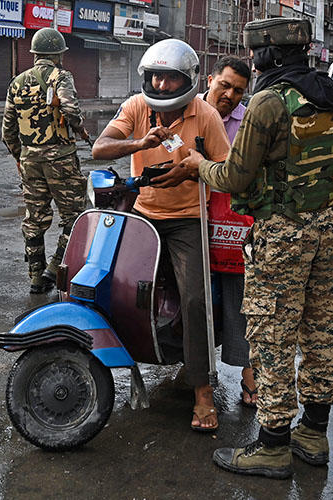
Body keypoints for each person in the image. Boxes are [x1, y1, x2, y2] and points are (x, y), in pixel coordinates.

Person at [181, 19, 333, 477]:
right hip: (325, 230)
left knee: (273, 336)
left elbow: (236, 177)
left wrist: (201, 164)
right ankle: (313, 433)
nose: (256, 63)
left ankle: (273, 445)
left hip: (281, 233)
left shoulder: (268, 101)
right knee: (321, 331)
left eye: (257, 55)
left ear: (269, 56)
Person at [92, 39, 232, 432]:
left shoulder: (205, 115)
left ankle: (202, 389)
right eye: (155, 76)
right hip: (143, 212)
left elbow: (225, 171)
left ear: (186, 79)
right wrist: (140, 142)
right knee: (115, 283)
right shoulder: (138, 107)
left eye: (170, 77)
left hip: (188, 218)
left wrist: (192, 170)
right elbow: (100, 148)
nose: (161, 84)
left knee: (194, 298)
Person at [2, 28, 89, 294]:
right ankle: (54, 266)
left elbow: (8, 131)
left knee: (35, 219)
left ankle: (36, 278)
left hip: (30, 160)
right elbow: (70, 109)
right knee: (76, 216)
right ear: (58, 54)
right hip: (61, 159)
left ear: (36, 53)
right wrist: (79, 127)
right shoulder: (61, 76)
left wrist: (21, 157)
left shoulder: (16, 82)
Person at [200, 56, 258, 407]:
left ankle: (248, 375)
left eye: (238, 90)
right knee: (194, 297)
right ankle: (195, 371)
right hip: (189, 218)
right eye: (224, 85)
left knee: (239, 296)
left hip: (233, 221)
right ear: (211, 79)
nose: (230, 95)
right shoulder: (188, 111)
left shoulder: (249, 120)